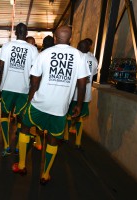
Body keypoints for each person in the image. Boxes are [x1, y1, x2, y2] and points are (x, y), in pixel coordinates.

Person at [12, 25, 90, 185]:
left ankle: (21, 165)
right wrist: (79, 105)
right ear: (70, 38)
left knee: (25, 128)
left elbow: (34, 81)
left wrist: (29, 101)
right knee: (53, 140)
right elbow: (82, 84)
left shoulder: (44, 54)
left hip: (39, 104)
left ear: (55, 38)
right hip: (59, 108)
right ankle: (45, 174)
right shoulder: (79, 56)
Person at [0, 23, 39, 156]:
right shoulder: (32, 49)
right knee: (21, 118)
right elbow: (35, 74)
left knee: (4, 116)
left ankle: (7, 146)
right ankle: (20, 147)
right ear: (26, 34)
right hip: (23, 88)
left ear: (15, 33)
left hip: (7, 87)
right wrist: (32, 91)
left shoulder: (7, 46)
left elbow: (0, 68)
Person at [63, 40, 98, 149]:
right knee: (80, 117)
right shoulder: (93, 59)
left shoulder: (74, 57)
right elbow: (95, 73)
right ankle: (78, 141)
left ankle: (66, 137)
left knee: (68, 115)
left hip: (72, 94)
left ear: (77, 46)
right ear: (89, 48)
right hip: (85, 95)